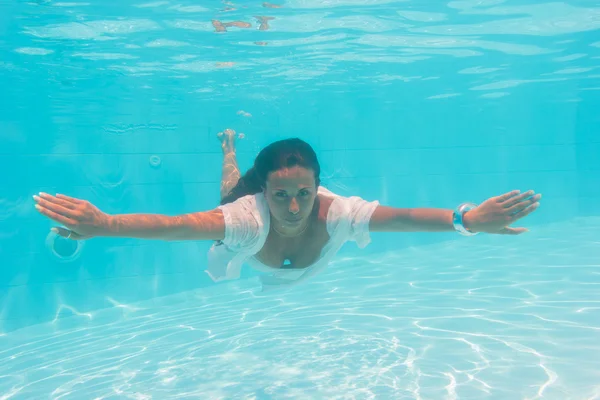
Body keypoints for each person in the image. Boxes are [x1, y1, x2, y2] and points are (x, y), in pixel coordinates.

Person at [33, 130, 541, 291]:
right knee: (227, 200)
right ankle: (229, 150)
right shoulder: (248, 217)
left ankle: (232, 151)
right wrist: (104, 225)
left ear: (319, 186)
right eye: (280, 195)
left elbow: (403, 216)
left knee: (235, 201)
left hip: (287, 268)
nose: (294, 207)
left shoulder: (337, 211)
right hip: (248, 253)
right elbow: (174, 227)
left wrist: (466, 220)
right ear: (267, 193)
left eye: (303, 192)